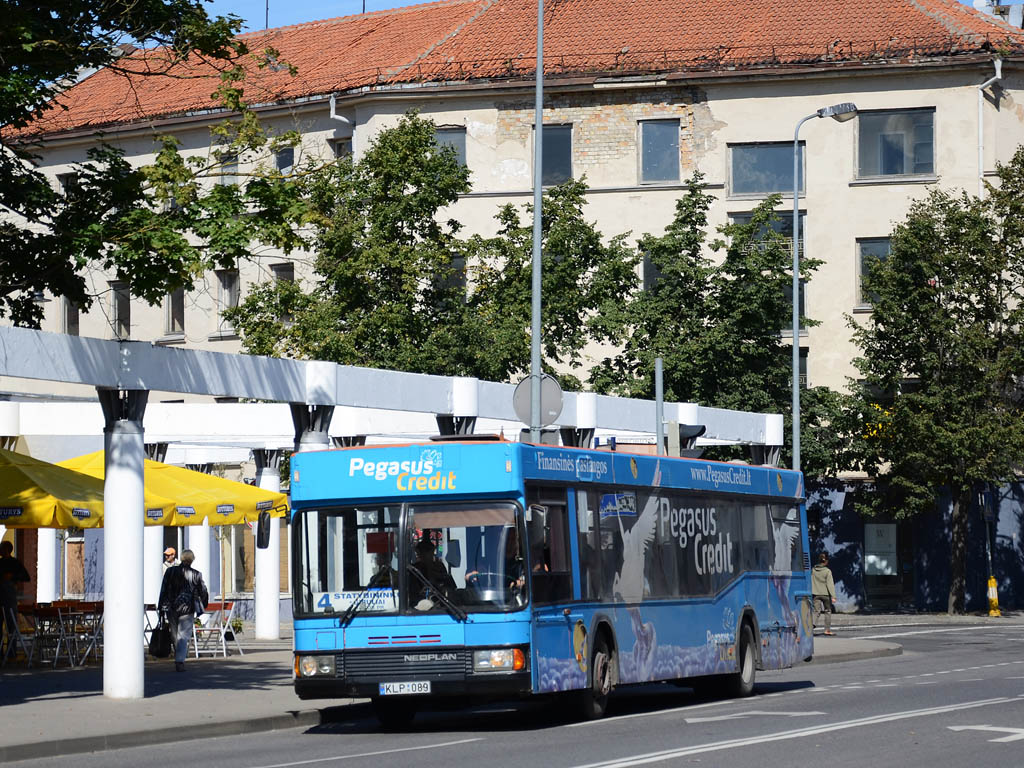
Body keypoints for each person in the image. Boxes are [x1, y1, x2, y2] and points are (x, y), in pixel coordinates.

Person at [158, 549, 209, 671]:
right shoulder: (196, 574)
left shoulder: (170, 571)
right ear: (192, 560)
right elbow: (203, 590)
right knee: (183, 635)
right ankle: (179, 661)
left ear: (181, 558)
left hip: (171, 607)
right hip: (187, 608)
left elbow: (163, 589)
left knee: (175, 633)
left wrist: (161, 606)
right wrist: (204, 603)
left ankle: (178, 655)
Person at [0, 541, 30, 652]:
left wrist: (12, 577)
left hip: (10, 598)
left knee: (11, 625)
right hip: (2, 597)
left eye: (1, 548)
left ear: (7, 550)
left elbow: (26, 577)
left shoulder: (15, 563)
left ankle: (11, 652)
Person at [411, 534, 456, 605]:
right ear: (418, 552)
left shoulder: (439, 566)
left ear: (433, 551)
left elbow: (451, 587)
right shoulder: (414, 569)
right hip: (420, 604)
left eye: (428, 550)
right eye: (423, 551)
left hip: (441, 602)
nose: (426, 554)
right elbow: (412, 592)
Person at [811, 552, 837, 636]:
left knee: (816, 611)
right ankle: (827, 630)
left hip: (815, 594)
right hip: (825, 594)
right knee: (828, 611)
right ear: (826, 561)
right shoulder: (827, 571)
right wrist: (833, 596)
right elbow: (830, 584)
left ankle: (811, 626)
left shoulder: (813, 570)